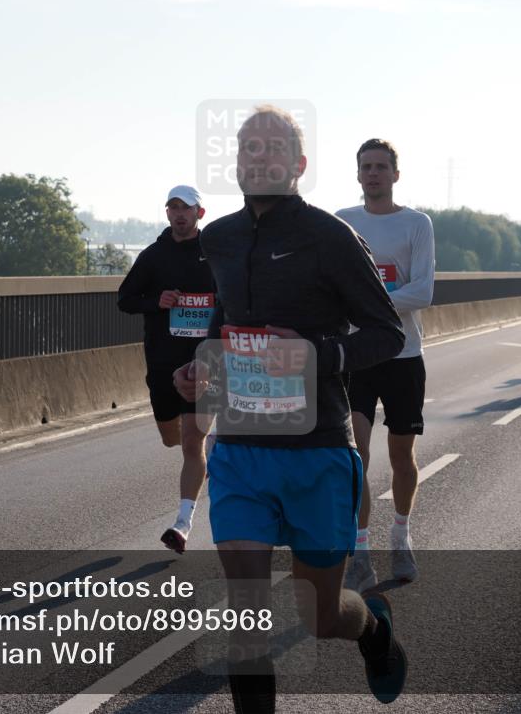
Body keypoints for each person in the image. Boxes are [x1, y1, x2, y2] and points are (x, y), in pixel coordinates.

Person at [174, 106, 408, 711]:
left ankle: (374, 628)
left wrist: (313, 355)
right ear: (237, 161)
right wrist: (204, 369)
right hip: (242, 453)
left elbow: (386, 332)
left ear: (299, 165)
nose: (259, 157)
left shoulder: (329, 237)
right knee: (246, 618)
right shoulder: (220, 238)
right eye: (249, 147)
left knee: (323, 616)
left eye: (273, 148)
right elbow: (228, 323)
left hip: (317, 451)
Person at [335, 139, 434, 591]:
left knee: (401, 456)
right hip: (356, 356)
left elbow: (423, 292)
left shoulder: (417, 224)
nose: (372, 174)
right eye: (365, 167)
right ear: (357, 175)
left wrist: (371, 304)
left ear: (396, 174)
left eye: (380, 167)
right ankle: (359, 549)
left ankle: (400, 532)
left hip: (403, 356)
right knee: (355, 454)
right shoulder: (342, 223)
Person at [117, 185, 215, 553]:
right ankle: (206, 458)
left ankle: (182, 524)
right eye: (173, 208)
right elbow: (124, 299)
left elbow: (236, 299)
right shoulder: (154, 256)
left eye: (185, 208)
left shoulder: (215, 254)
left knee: (192, 440)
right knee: (171, 438)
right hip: (162, 361)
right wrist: (156, 301)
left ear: (199, 214)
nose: (179, 214)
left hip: (205, 362)